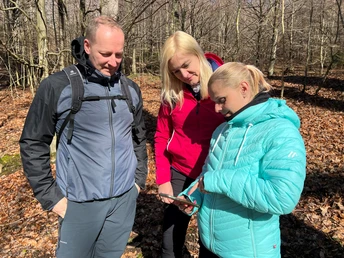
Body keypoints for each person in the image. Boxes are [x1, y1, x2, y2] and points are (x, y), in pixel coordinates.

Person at [19, 16, 147, 258]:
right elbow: (33, 143)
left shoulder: (130, 89)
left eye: (119, 55)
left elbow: (138, 136)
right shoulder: (58, 86)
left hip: (123, 201)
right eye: (106, 53)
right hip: (79, 204)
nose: (113, 62)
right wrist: (51, 197)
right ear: (87, 46)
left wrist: (138, 181)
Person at [178, 62, 307, 258]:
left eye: (221, 99)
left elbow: (283, 198)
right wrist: (192, 197)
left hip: (249, 251)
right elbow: (208, 174)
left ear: (244, 88)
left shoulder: (281, 132)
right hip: (209, 245)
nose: (216, 108)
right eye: (214, 101)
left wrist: (217, 180)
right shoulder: (222, 130)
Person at [154, 30, 225, 258]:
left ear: (198, 54)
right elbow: (161, 136)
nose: (184, 74)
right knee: (170, 240)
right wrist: (163, 179)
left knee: (210, 238)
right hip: (180, 172)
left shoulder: (224, 85)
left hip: (214, 173)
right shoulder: (171, 95)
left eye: (186, 65)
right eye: (176, 71)